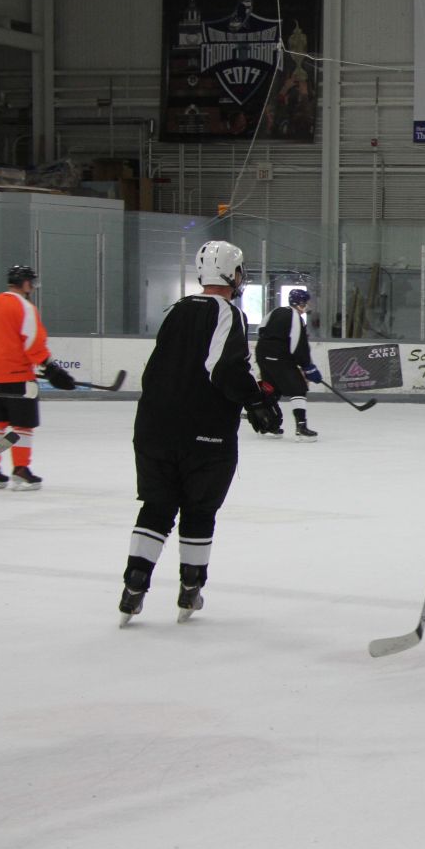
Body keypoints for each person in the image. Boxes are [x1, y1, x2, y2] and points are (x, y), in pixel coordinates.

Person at [116, 241, 283, 627]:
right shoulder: (227, 312)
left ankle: (134, 586)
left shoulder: (176, 311)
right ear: (232, 274)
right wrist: (256, 401)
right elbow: (222, 368)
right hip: (204, 433)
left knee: (157, 506)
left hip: (153, 429)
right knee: (199, 509)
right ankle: (191, 587)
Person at [0, 265, 75, 491]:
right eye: (32, 283)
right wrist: (52, 370)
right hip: (18, 378)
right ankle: (20, 471)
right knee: (23, 425)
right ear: (26, 283)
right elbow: (33, 343)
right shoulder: (25, 307)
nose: (33, 288)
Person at [256, 287, 323, 440]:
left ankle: (268, 425)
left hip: (262, 354)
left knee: (273, 389)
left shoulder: (275, 311)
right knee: (299, 388)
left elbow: (261, 330)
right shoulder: (296, 317)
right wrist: (308, 367)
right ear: (300, 303)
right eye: (305, 303)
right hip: (279, 357)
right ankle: (301, 427)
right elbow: (298, 345)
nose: (307, 306)